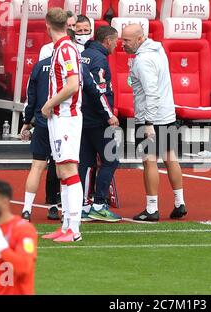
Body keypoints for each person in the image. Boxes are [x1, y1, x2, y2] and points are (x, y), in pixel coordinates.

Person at [121, 24, 187, 222]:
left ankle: (151, 208)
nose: (122, 44)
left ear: (140, 39)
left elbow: (151, 92)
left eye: (127, 40)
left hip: (151, 118)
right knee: (170, 157)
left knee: (149, 161)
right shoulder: (158, 50)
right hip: (167, 114)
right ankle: (179, 202)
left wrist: (148, 122)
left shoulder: (143, 60)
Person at [41, 8, 83, 242]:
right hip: (60, 117)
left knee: (68, 169)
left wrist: (48, 104)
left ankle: (74, 229)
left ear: (47, 26)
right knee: (61, 170)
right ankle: (66, 224)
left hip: (67, 116)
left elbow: (72, 85)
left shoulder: (66, 49)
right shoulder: (61, 48)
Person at [79, 25, 121, 222]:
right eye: (116, 41)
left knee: (86, 162)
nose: (117, 45)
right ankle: (98, 204)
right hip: (98, 119)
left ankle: (83, 206)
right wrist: (109, 116)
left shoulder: (84, 54)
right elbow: (98, 91)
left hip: (83, 116)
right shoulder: (100, 59)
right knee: (110, 160)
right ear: (108, 41)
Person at [20, 56, 61, 222]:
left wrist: (27, 121)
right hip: (62, 124)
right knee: (61, 168)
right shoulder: (72, 66)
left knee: (36, 167)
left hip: (43, 124)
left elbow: (31, 96)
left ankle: (26, 209)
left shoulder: (40, 66)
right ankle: (58, 208)